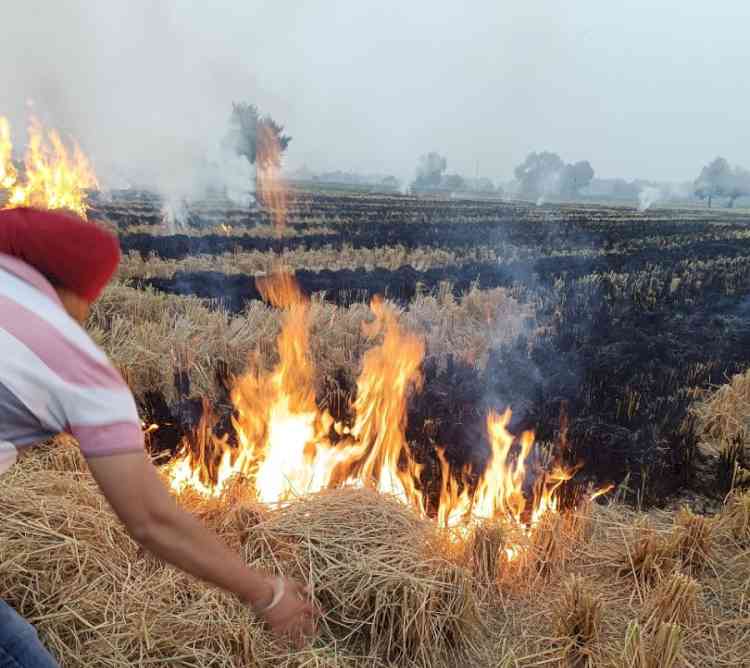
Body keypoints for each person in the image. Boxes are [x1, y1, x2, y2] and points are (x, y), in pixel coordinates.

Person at [0, 207, 317, 667]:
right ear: (71, 289)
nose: (89, 313)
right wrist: (266, 593)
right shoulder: (74, 364)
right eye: (91, 298)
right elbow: (152, 520)